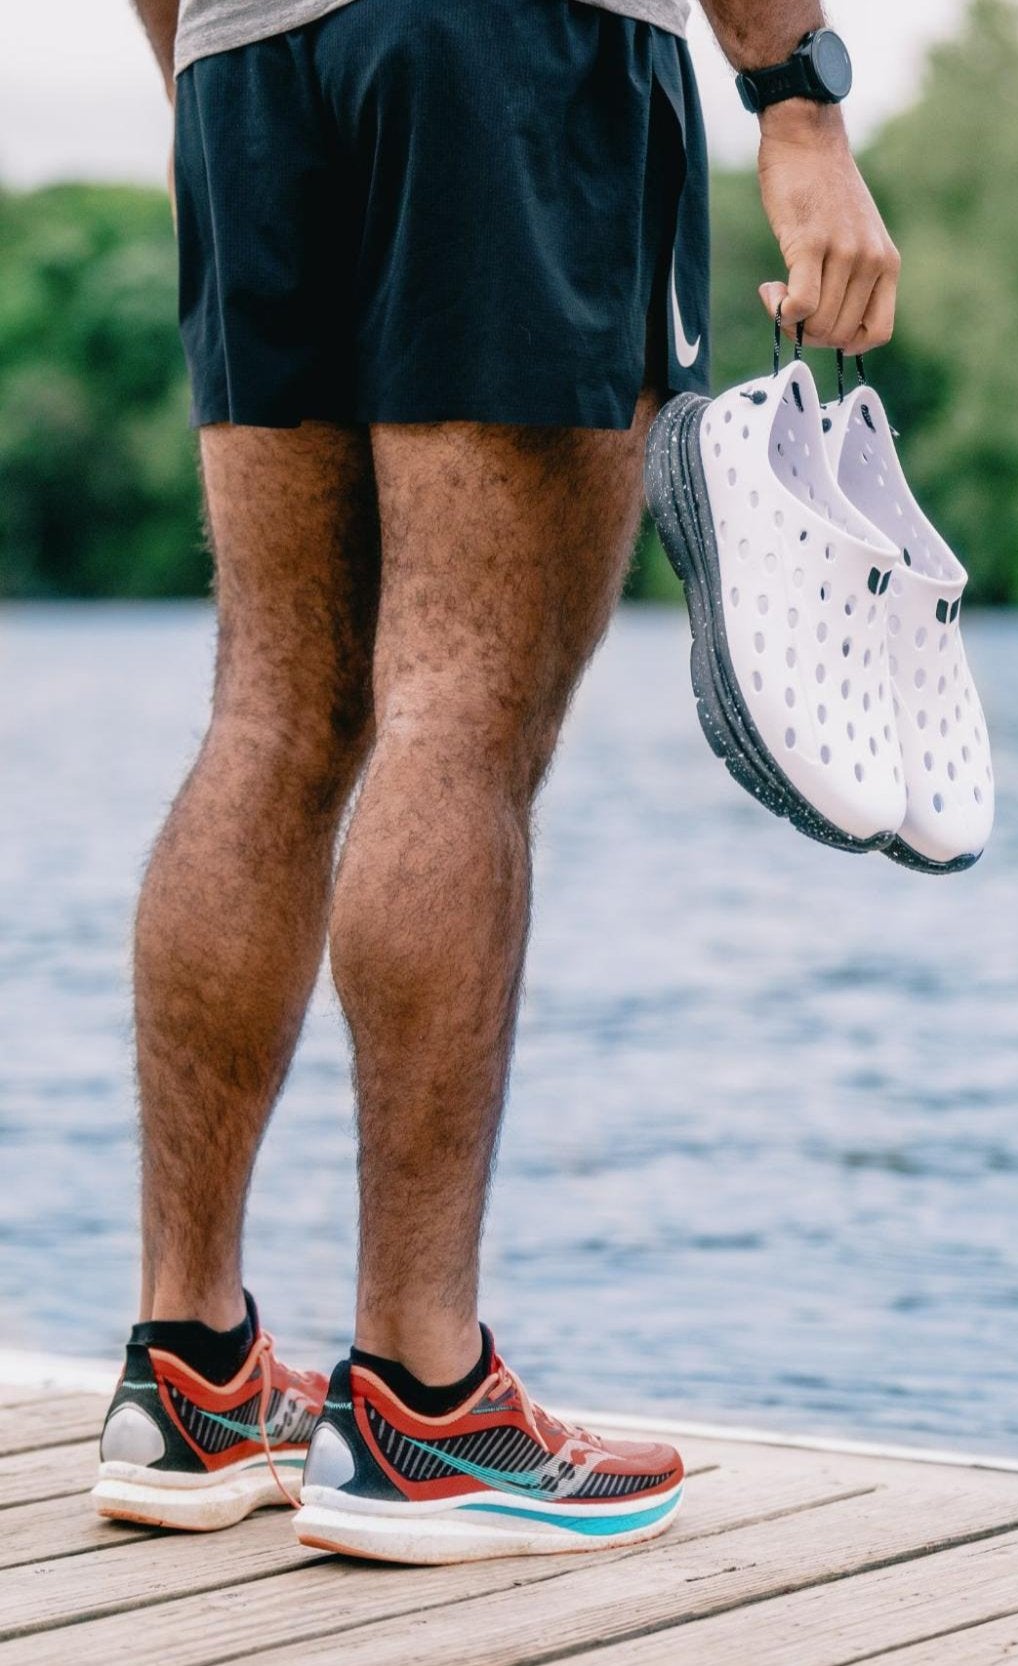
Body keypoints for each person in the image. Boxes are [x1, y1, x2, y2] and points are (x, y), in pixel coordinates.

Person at [93, 0, 901, 1564]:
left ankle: (188, 1376)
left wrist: (213, 74)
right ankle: (420, 1396)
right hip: (511, 56)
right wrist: (795, 98)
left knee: (272, 705)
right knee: (457, 709)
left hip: (248, 62)